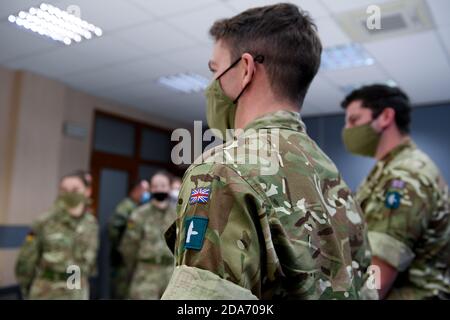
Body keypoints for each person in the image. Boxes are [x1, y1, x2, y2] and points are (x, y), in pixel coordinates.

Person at [161, 3, 372, 300]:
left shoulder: (223, 170)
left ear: (245, 69)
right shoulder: (330, 174)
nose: (212, 85)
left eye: (215, 70)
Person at [341, 84, 450, 299]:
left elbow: (377, 277)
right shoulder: (389, 169)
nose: (347, 130)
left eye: (354, 120)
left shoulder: (404, 176)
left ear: (385, 117)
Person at [15, 171, 99, 299]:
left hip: (76, 288)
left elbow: (88, 262)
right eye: (64, 189)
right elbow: (26, 262)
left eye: (75, 189)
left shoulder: (91, 223)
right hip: (47, 290)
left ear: (87, 191)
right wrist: (28, 289)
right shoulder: (45, 221)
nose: (69, 193)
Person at [119, 172, 176, 299]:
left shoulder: (177, 214)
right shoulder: (139, 214)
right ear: (150, 189)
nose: (159, 189)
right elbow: (128, 247)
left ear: (170, 188)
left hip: (171, 274)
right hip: (145, 274)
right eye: (155, 186)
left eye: (163, 185)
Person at [108, 179, 150, 299]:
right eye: (145, 190)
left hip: (132, 259)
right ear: (136, 190)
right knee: (122, 291)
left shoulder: (139, 208)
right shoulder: (126, 207)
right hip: (122, 259)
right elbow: (114, 229)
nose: (147, 193)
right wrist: (122, 247)